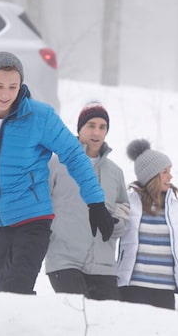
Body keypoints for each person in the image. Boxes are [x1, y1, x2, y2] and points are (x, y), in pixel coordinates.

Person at [0, 51, 116, 295]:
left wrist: (95, 202)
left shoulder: (40, 117)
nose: (6, 94)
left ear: (21, 85)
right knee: (2, 294)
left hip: (32, 219)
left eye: (13, 86)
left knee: (15, 289)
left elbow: (73, 155)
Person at [45, 102, 129, 300]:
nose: (97, 132)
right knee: (75, 322)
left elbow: (123, 208)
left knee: (107, 326)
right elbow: (39, 204)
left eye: (102, 127)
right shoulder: (57, 164)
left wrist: (118, 224)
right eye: (91, 125)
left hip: (104, 265)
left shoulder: (115, 172)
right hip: (65, 261)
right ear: (79, 128)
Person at [116, 139, 178, 309]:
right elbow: (114, 232)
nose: (170, 176)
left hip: (165, 291)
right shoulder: (129, 203)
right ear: (151, 176)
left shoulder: (176, 207)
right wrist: (114, 219)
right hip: (133, 287)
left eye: (170, 171)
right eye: (165, 172)